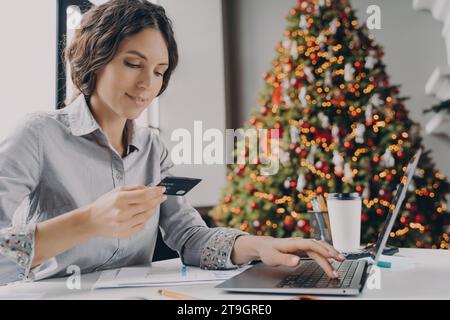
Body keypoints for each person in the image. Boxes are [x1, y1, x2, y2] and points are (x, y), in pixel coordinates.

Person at [0, 0, 343, 285]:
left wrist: (262, 246)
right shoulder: (38, 135)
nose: (147, 84)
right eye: (133, 63)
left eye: (159, 71)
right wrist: (89, 221)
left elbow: (190, 237)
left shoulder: (151, 147)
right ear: (95, 59)